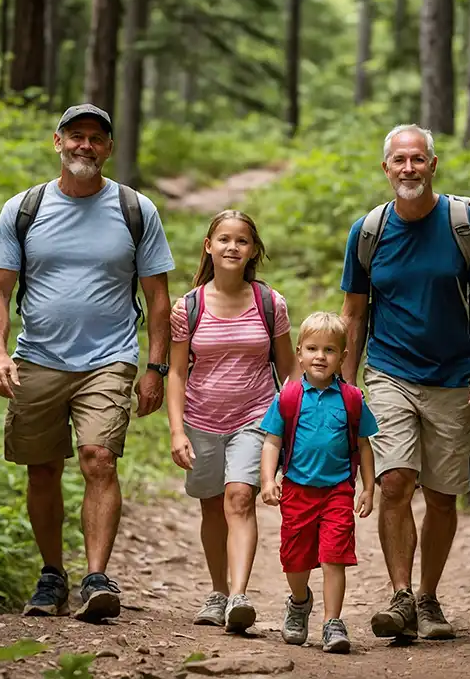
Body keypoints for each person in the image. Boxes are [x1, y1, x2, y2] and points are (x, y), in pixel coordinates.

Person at [0, 104, 175, 622]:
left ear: (108, 148)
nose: (85, 146)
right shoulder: (23, 208)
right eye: (76, 136)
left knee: (98, 458)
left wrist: (156, 369)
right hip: (38, 358)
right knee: (42, 468)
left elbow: (158, 297)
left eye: (95, 138)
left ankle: (95, 577)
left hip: (108, 359)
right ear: (58, 141)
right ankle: (51, 576)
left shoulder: (136, 209)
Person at [340, 124, 470, 640]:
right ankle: (401, 596)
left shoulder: (465, 223)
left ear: (432, 165)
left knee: (440, 495)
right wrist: (345, 389)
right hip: (389, 371)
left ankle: (429, 597)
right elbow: (354, 313)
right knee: (394, 481)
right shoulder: (368, 231)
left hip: (454, 376)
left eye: (417, 159)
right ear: (385, 168)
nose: (408, 168)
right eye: (398, 161)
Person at [167, 209, 296, 633]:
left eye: (241, 241)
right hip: (201, 418)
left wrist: (297, 420)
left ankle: (239, 596)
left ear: (253, 250)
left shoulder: (269, 303)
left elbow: (289, 368)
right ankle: (218, 591)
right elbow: (178, 373)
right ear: (209, 246)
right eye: (223, 239)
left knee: (239, 498)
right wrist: (176, 430)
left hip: (256, 415)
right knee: (211, 507)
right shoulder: (189, 306)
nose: (232, 247)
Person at [258, 312, 378, 654]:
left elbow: (364, 445)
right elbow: (272, 442)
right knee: (295, 560)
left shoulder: (352, 399)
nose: (320, 356)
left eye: (329, 350)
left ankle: (332, 622)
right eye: (312, 348)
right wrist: (268, 479)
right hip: (297, 489)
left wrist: (368, 488)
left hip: (338, 490)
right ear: (299, 353)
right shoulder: (289, 397)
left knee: (333, 556)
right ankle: (299, 601)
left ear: (342, 357)